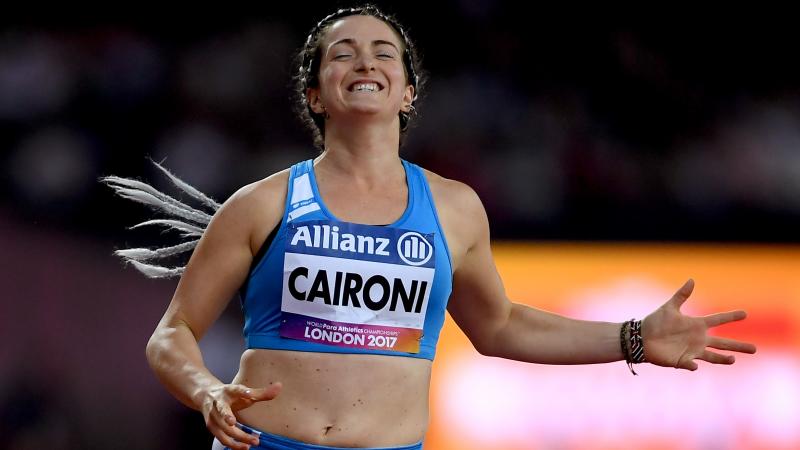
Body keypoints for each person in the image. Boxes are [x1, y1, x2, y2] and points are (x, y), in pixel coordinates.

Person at [104, 5, 757, 450]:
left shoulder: (453, 208)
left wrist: (634, 338)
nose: (365, 61)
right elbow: (172, 335)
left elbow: (500, 325)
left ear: (407, 92)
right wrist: (208, 392)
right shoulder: (261, 203)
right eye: (343, 54)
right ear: (315, 93)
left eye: (383, 53)